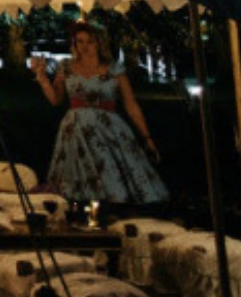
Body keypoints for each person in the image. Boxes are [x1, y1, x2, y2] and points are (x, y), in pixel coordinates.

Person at [34, 21, 168, 210]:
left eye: (90, 42)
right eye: (80, 41)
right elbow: (56, 99)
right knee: (75, 181)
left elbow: (131, 105)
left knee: (110, 176)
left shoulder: (114, 69)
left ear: (99, 43)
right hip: (75, 129)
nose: (84, 46)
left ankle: (112, 211)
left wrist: (147, 137)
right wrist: (42, 79)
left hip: (107, 128)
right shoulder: (66, 67)